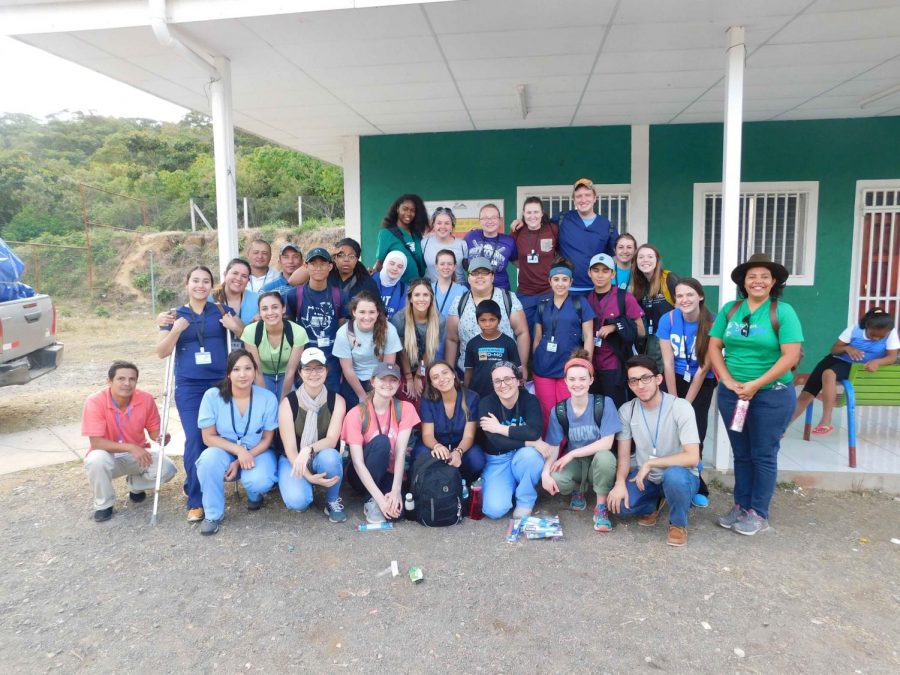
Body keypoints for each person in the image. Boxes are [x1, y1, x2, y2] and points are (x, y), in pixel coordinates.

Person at [708, 253, 803, 536]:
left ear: (774, 282)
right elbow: (714, 347)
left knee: (763, 454)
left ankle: (758, 513)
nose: (758, 281)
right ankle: (741, 505)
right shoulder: (730, 309)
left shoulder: (783, 311)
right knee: (742, 453)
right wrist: (727, 380)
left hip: (770, 396)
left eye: (764, 277)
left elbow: (791, 356)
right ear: (743, 282)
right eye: (752, 277)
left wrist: (755, 384)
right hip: (733, 395)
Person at [156, 266, 241, 523]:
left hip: (220, 384)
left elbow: (242, 332)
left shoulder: (221, 310)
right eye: (195, 281)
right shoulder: (174, 315)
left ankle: (212, 484)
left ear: (212, 285)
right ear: (187, 284)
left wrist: (232, 323)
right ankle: (195, 499)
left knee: (216, 437)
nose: (200, 286)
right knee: (195, 437)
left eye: (205, 281)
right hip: (190, 387)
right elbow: (161, 352)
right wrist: (176, 330)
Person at [607, 356, 701, 547]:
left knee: (674, 477)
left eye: (646, 378)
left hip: (680, 475)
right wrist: (619, 484)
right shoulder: (627, 410)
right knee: (620, 507)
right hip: (647, 478)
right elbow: (624, 458)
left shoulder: (680, 407)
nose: (640, 385)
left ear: (658, 379)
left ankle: (678, 523)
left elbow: (692, 457)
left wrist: (650, 463)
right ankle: (655, 503)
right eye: (634, 381)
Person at [194, 349, 280, 535]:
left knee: (259, 480)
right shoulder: (212, 396)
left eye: (248, 368)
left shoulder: (267, 398)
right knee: (208, 461)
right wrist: (238, 452)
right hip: (224, 449)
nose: (242, 374)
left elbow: (267, 439)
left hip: (257, 450)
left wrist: (242, 457)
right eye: (236, 369)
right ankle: (213, 514)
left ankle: (254, 493)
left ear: (256, 372)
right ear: (228, 374)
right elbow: (208, 437)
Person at [82, 360, 178, 522]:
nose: (127, 383)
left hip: (137, 455)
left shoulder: (146, 399)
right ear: (109, 381)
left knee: (167, 469)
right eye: (121, 379)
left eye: (132, 379)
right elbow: (96, 442)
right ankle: (104, 504)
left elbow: (154, 431)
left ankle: (135, 485)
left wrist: (161, 437)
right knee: (95, 460)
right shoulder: (94, 401)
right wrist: (131, 447)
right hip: (108, 456)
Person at [540, 354, 620, 531]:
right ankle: (579, 488)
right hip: (576, 464)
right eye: (572, 379)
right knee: (555, 477)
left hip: (597, 462)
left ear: (591, 380)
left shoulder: (604, 404)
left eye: (583, 379)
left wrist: (572, 453)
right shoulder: (559, 410)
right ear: (566, 382)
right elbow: (553, 447)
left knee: (606, 458)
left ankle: (600, 506)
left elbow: (607, 443)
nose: (578, 384)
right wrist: (545, 473)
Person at [791, 308, 898, 434]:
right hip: (839, 361)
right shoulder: (855, 329)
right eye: (872, 335)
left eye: (880, 337)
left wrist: (877, 362)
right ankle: (780, 429)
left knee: (829, 373)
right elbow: (834, 350)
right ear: (866, 326)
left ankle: (826, 421)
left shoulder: (891, 333)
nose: (875, 338)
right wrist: (848, 348)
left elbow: (892, 357)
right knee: (806, 394)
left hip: (859, 367)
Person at [657, 277, 715, 507]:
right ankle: (665, 482)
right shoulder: (668, 319)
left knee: (694, 433)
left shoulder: (712, 322)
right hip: (675, 379)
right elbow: (668, 363)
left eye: (689, 294)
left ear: (700, 296)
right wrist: (672, 399)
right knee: (667, 430)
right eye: (679, 295)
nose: (684, 299)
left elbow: (703, 369)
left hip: (701, 382)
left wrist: (685, 404)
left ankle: (696, 484)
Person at [342, 362, 420, 523]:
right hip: (360, 474)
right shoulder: (356, 413)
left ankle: (382, 497)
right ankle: (371, 499)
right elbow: (357, 462)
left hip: (390, 472)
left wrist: (396, 491)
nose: (388, 384)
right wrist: (380, 499)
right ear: (373, 382)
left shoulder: (405, 408)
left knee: (397, 513)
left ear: (399, 384)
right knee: (382, 442)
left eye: (393, 380)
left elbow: (400, 452)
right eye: (382, 379)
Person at [276, 348, 348, 523]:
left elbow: (331, 440)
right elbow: (291, 448)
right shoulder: (288, 403)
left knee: (331, 457)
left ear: (326, 370)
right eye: (308, 369)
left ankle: (331, 500)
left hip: (319, 455)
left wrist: (308, 449)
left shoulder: (337, 401)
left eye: (319, 368)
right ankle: (308, 483)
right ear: (300, 372)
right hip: (293, 458)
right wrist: (307, 475)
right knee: (298, 502)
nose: (313, 374)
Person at [531, 257, 595, 431]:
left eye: (565, 280)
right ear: (550, 281)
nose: (560, 284)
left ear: (571, 281)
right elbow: (537, 338)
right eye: (556, 279)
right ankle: (550, 452)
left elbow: (589, 336)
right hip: (543, 368)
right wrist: (535, 358)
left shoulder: (580, 303)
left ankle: (565, 452)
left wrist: (586, 365)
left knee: (567, 411)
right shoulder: (543, 304)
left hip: (570, 368)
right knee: (547, 412)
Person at [477, 361, 545, 519]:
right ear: (493, 384)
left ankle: (525, 500)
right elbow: (496, 442)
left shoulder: (530, 400)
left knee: (531, 456)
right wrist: (530, 442)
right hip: (498, 459)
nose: (503, 384)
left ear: (518, 380)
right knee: (494, 511)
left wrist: (500, 428)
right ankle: (511, 485)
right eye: (497, 381)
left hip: (522, 456)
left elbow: (534, 431)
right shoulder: (486, 403)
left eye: (508, 378)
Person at [444, 257, 530, 374]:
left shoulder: (508, 299)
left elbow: (522, 333)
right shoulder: (459, 302)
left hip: (505, 374)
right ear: (468, 278)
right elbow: (452, 339)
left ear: (492, 277)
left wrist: (522, 366)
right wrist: (449, 370)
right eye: (474, 273)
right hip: (469, 374)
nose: (479, 276)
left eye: (484, 273)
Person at [585, 253, 645, 408]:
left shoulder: (623, 297)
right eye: (596, 270)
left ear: (613, 273)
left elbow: (641, 331)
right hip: (591, 366)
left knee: (615, 411)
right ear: (589, 273)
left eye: (605, 271)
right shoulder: (585, 299)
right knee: (594, 412)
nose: (600, 275)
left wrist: (615, 326)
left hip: (614, 365)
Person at [412, 360, 485, 484]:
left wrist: (458, 452)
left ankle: (461, 484)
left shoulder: (471, 398)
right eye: (435, 377)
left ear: (453, 374)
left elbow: (469, 436)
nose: (442, 379)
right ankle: (433, 486)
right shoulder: (427, 400)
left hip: (461, 444)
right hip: (436, 444)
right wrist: (437, 446)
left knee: (477, 460)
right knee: (421, 454)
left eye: (445, 373)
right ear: (432, 384)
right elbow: (427, 435)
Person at [288, 247, 349, 392]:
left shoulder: (340, 295)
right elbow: (290, 328)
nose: (318, 268)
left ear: (330, 267)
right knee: (304, 402)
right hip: (305, 357)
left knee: (331, 401)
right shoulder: (294, 295)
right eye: (313, 264)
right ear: (306, 266)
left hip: (331, 360)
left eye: (322, 264)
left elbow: (341, 328)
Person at [333, 291, 402, 408]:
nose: (367, 317)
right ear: (354, 312)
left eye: (371, 312)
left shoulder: (389, 330)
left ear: (378, 313)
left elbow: (388, 366)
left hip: (381, 377)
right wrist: (363, 396)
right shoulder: (344, 333)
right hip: (355, 379)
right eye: (362, 312)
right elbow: (347, 368)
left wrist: (377, 393)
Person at [553, 178, 617, 293]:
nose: (583, 200)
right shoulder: (562, 219)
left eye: (587, 195)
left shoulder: (606, 225)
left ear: (594, 198)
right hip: (566, 290)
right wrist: (521, 222)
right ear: (574, 199)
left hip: (596, 291)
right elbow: (538, 226)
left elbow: (617, 255)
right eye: (579, 196)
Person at [240, 291, 308, 399]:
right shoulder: (251, 331)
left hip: (286, 374)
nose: (270, 312)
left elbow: (290, 372)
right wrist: (266, 401)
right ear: (259, 312)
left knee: (289, 405)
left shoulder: (298, 332)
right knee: (262, 403)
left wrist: (283, 402)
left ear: (283, 309)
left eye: (275, 307)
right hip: (263, 374)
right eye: (265, 309)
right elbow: (257, 371)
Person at [391, 279, 445, 402]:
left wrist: (419, 376)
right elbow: (401, 352)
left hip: (424, 365)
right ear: (410, 298)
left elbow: (430, 351)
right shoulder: (399, 319)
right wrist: (410, 378)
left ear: (431, 298)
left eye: (425, 295)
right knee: (408, 395)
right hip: (403, 366)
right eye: (417, 295)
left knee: (427, 396)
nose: (421, 299)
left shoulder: (440, 320)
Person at [510, 197, 558, 334]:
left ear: (542, 213)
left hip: (549, 291)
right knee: (526, 333)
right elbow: (511, 255)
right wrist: (524, 266)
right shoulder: (517, 231)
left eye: (536, 212)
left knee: (549, 332)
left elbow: (560, 253)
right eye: (529, 212)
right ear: (523, 214)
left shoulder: (552, 230)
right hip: (526, 293)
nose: (532, 216)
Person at [631, 244, 679, 373]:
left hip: (671, 336)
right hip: (652, 337)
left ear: (657, 260)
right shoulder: (639, 283)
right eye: (640, 257)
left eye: (650, 256)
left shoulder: (668, 278)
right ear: (636, 262)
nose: (645, 260)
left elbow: (682, 306)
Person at [464, 299, 520, 399]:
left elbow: (516, 370)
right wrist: (465, 393)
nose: (488, 324)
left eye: (492, 319)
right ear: (477, 321)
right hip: (478, 394)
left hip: (503, 393)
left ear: (499, 319)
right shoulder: (473, 343)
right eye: (483, 320)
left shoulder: (508, 342)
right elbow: (469, 372)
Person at [372, 194, 428, 284]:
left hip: (416, 287)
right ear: (398, 208)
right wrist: (373, 273)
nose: (409, 213)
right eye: (405, 209)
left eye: (412, 210)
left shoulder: (417, 235)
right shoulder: (386, 233)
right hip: (398, 288)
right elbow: (380, 262)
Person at [463, 203, 517, 290]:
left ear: (500, 220)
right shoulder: (471, 236)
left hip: (500, 291)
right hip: (474, 291)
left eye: (493, 217)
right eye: (485, 218)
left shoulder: (508, 241)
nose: (490, 221)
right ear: (480, 220)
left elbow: (520, 264)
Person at [422, 207, 467, 283]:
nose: (443, 227)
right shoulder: (424, 243)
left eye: (447, 223)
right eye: (439, 223)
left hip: (458, 292)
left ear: (452, 226)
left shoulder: (462, 245)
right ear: (434, 225)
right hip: (432, 291)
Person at [212, 258, 258, 326]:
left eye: (244, 276)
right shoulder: (210, 299)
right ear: (225, 274)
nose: (238, 278)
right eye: (235, 273)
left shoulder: (257, 299)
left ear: (248, 280)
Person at [431, 248, 468, 320]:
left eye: (450, 264)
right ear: (436, 267)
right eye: (442, 264)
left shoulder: (463, 291)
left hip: (454, 331)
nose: (446, 267)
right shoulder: (428, 289)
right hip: (431, 330)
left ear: (454, 267)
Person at [373, 250, 408, 320]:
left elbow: (400, 319)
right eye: (392, 264)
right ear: (385, 263)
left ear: (403, 270)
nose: (395, 268)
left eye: (400, 266)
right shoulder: (369, 280)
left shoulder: (404, 289)